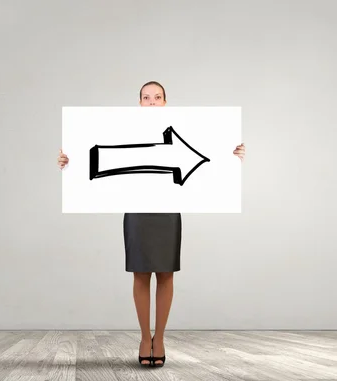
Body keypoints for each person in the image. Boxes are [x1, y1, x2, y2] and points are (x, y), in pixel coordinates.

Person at [57, 81, 245, 367]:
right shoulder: (124, 128)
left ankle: (161, 337)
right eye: (147, 97)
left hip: (168, 210)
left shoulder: (184, 127)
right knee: (141, 272)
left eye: (158, 97)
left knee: (166, 273)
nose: (152, 101)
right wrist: (68, 160)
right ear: (139, 102)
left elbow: (211, 154)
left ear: (166, 102)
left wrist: (233, 155)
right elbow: (95, 152)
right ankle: (145, 337)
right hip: (137, 210)